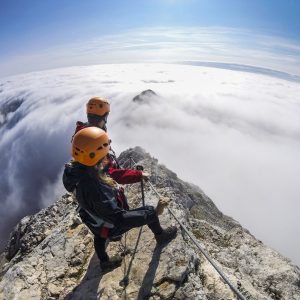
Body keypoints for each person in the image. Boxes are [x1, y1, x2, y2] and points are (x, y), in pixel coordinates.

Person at [63, 127, 177, 272]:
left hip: (93, 220)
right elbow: (119, 218)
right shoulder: (96, 187)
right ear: (94, 155)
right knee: (147, 210)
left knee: (99, 237)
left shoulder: (74, 171)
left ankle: (105, 263)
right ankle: (161, 236)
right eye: (104, 151)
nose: (107, 156)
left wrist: (137, 174)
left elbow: (110, 173)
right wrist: (155, 212)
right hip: (110, 224)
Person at [72, 96, 148, 184]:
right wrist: (138, 174)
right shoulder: (94, 140)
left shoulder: (82, 133)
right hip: (98, 188)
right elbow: (109, 174)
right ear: (104, 117)